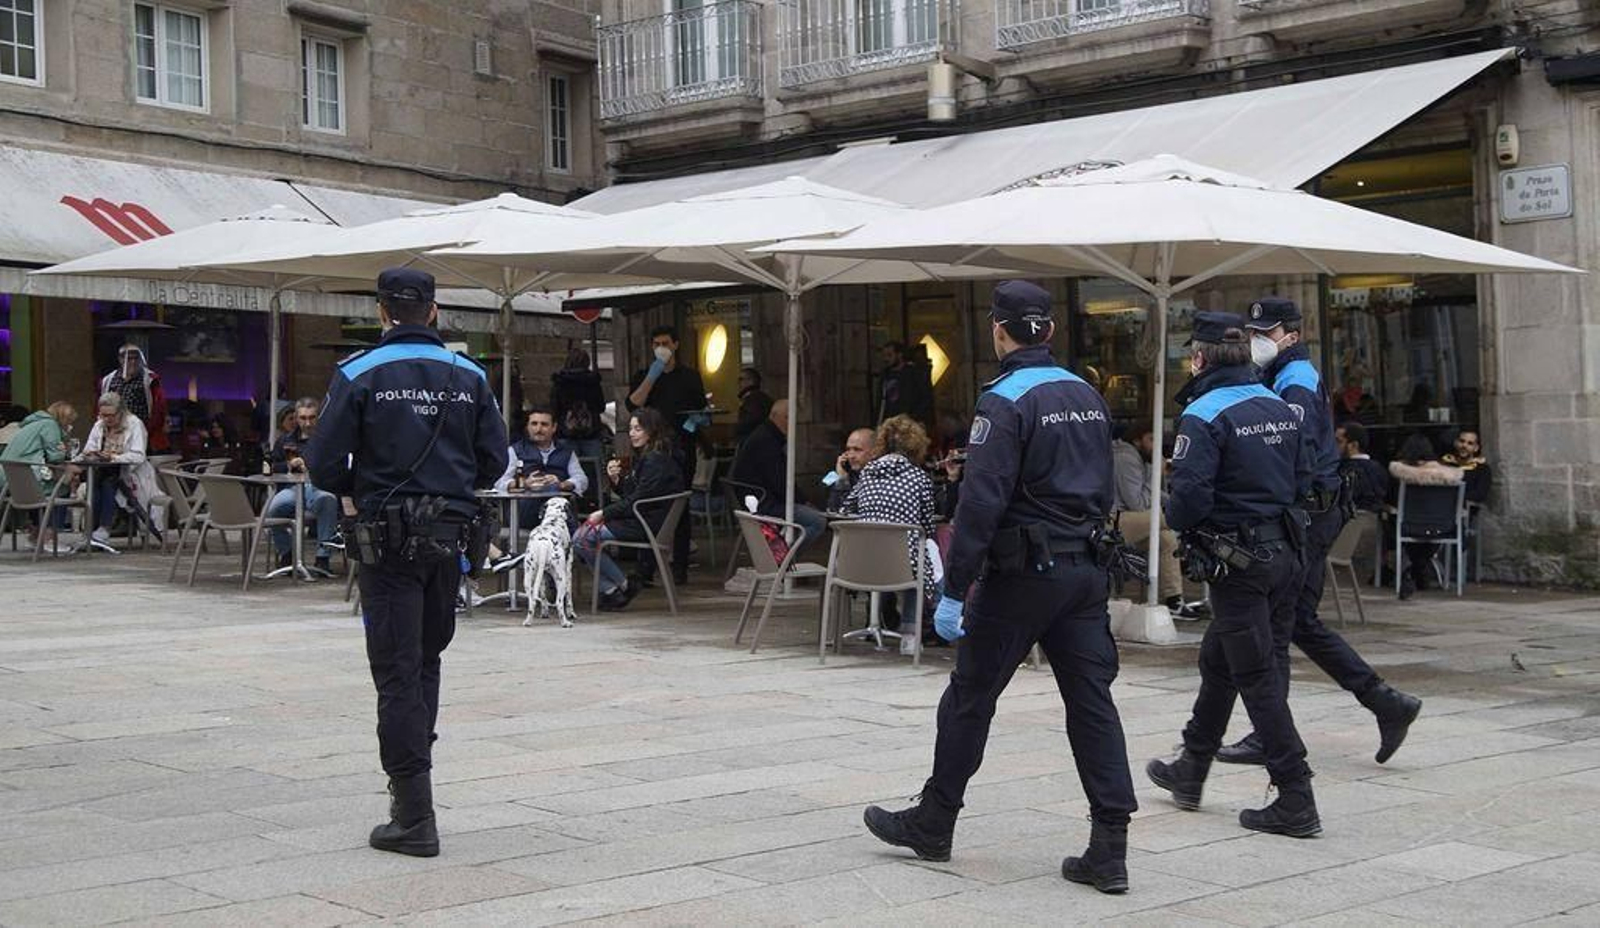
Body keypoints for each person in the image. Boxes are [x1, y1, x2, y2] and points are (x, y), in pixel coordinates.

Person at [863, 281, 1137, 896]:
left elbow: (981, 504)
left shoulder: (1004, 400)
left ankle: (935, 820)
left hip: (1022, 574)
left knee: (970, 697)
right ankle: (1110, 846)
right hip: (1085, 570)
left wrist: (953, 588)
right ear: (1050, 331)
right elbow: (1104, 485)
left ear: (998, 330)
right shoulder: (1087, 392)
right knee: (1091, 704)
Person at [307, 268, 508, 859]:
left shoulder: (359, 371)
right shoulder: (470, 374)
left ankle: (414, 814)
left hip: (387, 540)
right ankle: (415, 793)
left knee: (396, 671)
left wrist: (363, 488)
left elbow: (322, 462)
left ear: (381, 311)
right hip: (449, 539)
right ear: (434, 311)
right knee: (425, 660)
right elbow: (495, 459)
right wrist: (449, 488)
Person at [1218, 298, 1421, 768]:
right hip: (1312, 511)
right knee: (1297, 621)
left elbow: (1294, 452)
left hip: (1308, 514)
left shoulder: (1295, 380)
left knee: (1278, 624)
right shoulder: (1282, 375)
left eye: (1266, 332)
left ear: (1291, 334)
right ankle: (1386, 703)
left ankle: (1271, 736)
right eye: (1253, 332)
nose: (1256, 340)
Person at [1146, 311, 1319, 838]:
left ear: (1198, 358)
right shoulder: (1279, 404)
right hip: (1285, 554)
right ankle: (1192, 765)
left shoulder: (1203, 413)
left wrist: (1175, 510)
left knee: (1257, 676)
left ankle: (1296, 794)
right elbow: (1305, 477)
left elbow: (1189, 502)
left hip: (1238, 562)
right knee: (1219, 660)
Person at [840, 415, 940, 655]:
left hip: (861, 563)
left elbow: (845, 510)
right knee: (923, 555)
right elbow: (927, 526)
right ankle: (911, 633)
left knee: (913, 554)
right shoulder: (919, 478)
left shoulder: (867, 474)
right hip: (900, 566)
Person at [572, 408, 685, 611]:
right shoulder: (652, 456)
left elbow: (637, 499)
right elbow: (635, 495)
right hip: (644, 519)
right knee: (582, 537)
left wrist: (603, 513)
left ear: (652, 431)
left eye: (638, 429)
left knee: (582, 538)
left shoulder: (655, 460)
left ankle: (620, 587)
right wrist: (616, 480)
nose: (632, 433)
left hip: (646, 524)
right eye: (631, 428)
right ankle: (613, 590)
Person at [627, 326, 705, 585]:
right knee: (647, 503)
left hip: (681, 447)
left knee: (679, 506)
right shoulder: (644, 375)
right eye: (656, 344)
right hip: (651, 450)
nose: (661, 348)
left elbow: (700, 408)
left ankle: (679, 565)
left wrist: (696, 423)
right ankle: (645, 568)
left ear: (676, 345)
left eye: (665, 343)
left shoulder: (689, 376)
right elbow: (633, 403)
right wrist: (653, 374)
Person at [1110, 421, 1187, 616]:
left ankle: (1174, 600)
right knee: (1169, 518)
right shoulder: (1125, 458)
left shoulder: (1140, 458)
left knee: (1166, 540)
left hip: (1132, 520)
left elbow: (1152, 495)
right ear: (1137, 440)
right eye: (1151, 439)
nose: (1156, 445)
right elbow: (1137, 503)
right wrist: (1155, 471)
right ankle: (1192, 527)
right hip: (1114, 520)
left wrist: (1175, 501)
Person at [729, 399, 826, 546]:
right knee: (817, 521)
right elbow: (780, 481)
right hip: (763, 503)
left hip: (758, 499)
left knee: (810, 517)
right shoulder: (767, 441)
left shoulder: (765, 435)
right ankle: (784, 556)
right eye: (790, 418)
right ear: (779, 417)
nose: (793, 424)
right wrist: (803, 501)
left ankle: (783, 553)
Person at [264, 398, 342, 575]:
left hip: (319, 486)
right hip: (292, 488)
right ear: (296, 418)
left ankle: (323, 558)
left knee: (328, 500)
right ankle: (287, 554)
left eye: (312, 418)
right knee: (271, 510)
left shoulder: (329, 439)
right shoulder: (286, 440)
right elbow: (272, 466)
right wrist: (288, 466)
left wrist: (316, 467)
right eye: (303, 418)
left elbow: (339, 466)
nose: (307, 423)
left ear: (318, 417)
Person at [78, 392, 162, 550]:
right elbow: (89, 448)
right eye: (103, 415)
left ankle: (103, 529)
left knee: (108, 481)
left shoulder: (134, 424)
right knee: (96, 481)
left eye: (111, 415)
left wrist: (114, 457)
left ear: (121, 412)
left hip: (130, 472)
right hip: (102, 469)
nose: (107, 419)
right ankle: (92, 531)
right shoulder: (100, 425)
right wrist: (92, 454)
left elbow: (138, 455)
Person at [1389, 433, 1463, 599]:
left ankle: (1411, 566)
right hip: (1442, 527)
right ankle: (1420, 564)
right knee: (1428, 534)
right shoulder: (1449, 477)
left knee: (1390, 520)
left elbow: (1392, 501)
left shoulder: (1400, 475)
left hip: (1409, 526)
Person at [495, 406, 589, 527]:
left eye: (544, 424)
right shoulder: (515, 450)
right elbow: (499, 482)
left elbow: (582, 480)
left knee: (556, 495)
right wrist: (524, 483)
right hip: (525, 511)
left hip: (558, 509)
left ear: (554, 427)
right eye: (534, 424)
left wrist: (562, 484)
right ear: (527, 427)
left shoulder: (566, 452)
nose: (538, 429)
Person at [0, 402, 77, 545]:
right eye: (69, 422)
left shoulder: (31, 424)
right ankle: (50, 536)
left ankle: (36, 533)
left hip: (10, 482)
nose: (70, 425)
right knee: (62, 488)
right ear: (63, 419)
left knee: (40, 492)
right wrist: (65, 444)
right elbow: (55, 456)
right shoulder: (50, 425)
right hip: (28, 479)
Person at [99, 344, 170, 453]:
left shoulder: (149, 379)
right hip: (115, 434)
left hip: (141, 433)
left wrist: (154, 428)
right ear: (121, 359)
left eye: (136, 358)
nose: (133, 362)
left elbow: (159, 406)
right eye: (129, 358)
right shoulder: (109, 380)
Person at [550, 347, 607, 463]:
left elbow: (554, 408)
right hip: (591, 433)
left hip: (566, 433)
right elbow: (601, 406)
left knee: (567, 466)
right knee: (594, 468)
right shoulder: (593, 382)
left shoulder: (560, 382)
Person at [1335, 422, 1389, 513]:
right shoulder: (1380, 468)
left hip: (1348, 518)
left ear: (1354, 445)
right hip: (1375, 518)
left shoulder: (1343, 469)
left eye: (1338, 441)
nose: (1333, 446)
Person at [825, 427, 876, 512]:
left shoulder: (879, 476)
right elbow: (829, 507)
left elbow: (849, 510)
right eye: (848, 450)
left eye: (857, 450)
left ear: (874, 452)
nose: (851, 456)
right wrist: (841, 479)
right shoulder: (842, 471)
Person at [1442, 429, 1492, 503]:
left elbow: (1479, 495)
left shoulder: (1483, 469)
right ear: (1455, 443)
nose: (1464, 446)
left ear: (1476, 448)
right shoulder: (1445, 464)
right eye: (1462, 441)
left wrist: (1451, 495)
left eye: (1470, 443)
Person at [734, 367, 774, 446]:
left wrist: (737, 430)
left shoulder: (753, 400)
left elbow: (750, 422)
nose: (738, 383)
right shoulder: (760, 398)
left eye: (741, 379)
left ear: (750, 381)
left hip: (754, 443)